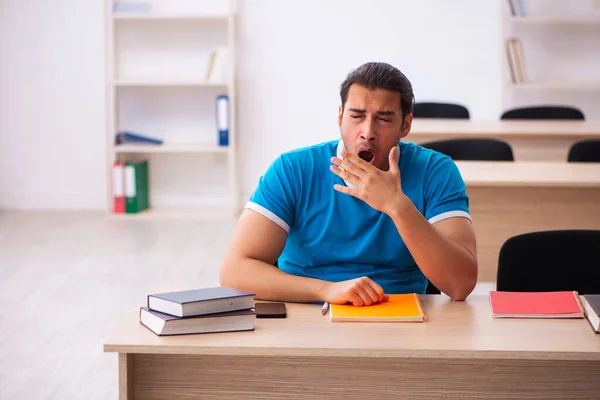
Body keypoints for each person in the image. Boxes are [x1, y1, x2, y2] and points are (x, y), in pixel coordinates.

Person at [220, 62, 477, 305]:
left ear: (405, 124)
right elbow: (235, 271)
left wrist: (397, 206)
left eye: (384, 119)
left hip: (401, 317)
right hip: (306, 313)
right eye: (356, 115)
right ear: (340, 116)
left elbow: (460, 284)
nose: (368, 131)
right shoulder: (293, 169)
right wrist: (326, 289)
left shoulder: (436, 171)